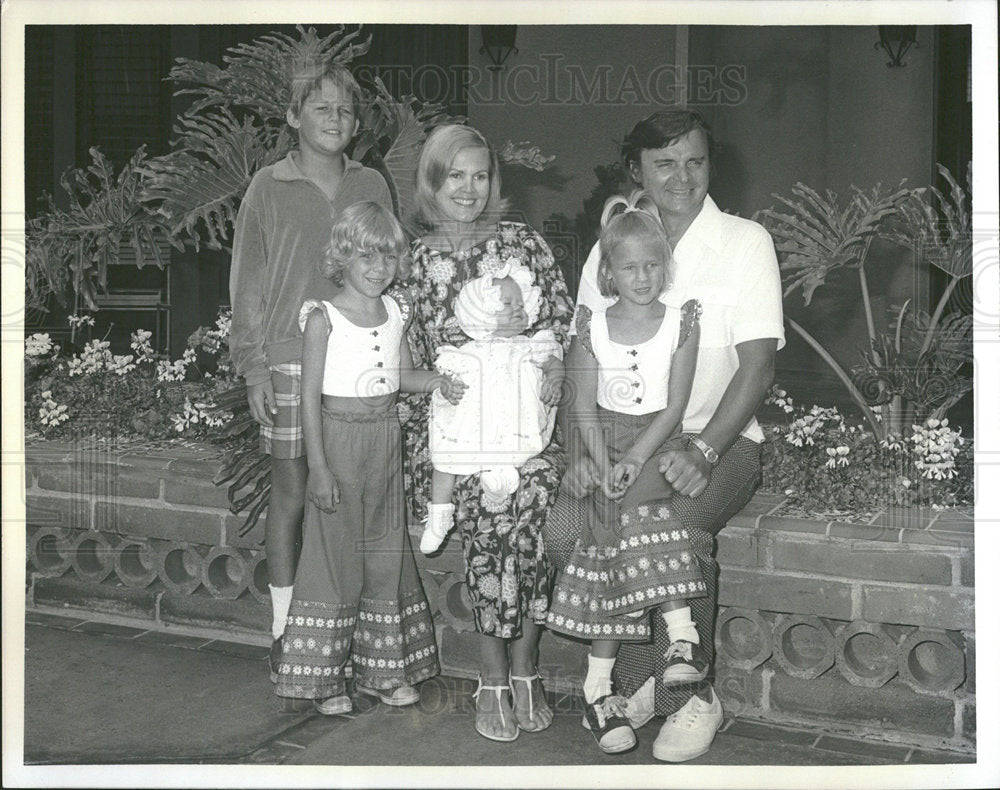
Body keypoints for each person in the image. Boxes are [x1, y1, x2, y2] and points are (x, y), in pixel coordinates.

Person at [543, 109, 784, 762]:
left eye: (696, 161)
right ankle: (644, 676)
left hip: (721, 441)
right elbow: (581, 366)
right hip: (617, 445)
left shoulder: (744, 243)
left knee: (675, 530)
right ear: (637, 171)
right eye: (665, 163)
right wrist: (580, 457)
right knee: (567, 531)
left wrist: (704, 452)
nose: (683, 176)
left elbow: (759, 367)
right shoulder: (611, 246)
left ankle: (691, 696)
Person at [399, 124, 574, 742]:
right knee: (495, 505)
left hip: (526, 428)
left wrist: (550, 362)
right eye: (455, 176)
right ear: (431, 183)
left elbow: (564, 331)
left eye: (480, 176)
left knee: (534, 496)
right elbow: (403, 368)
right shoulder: (415, 263)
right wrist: (441, 389)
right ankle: (497, 673)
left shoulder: (523, 245)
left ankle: (520, 667)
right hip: (453, 440)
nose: (469, 189)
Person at [228, 62, 392, 683]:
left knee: (352, 496)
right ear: (294, 117)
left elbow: (389, 257)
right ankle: (284, 626)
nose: (336, 120)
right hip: (291, 363)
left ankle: (351, 627)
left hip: (357, 364)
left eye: (346, 112)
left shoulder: (370, 180)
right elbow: (247, 284)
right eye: (321, 109)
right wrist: (254, 371)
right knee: (293, 493)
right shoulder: (268, 188)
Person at [273, 201, 463, 714]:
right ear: (342, 257)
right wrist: (317, 466)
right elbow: (307, 398)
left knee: (384, 553)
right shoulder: (323, 318)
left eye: (387, 257)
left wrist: (439, 383)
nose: (378, 268)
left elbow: (402, 378)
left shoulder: (395, 311)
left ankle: (384, 672)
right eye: (366, 257)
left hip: (384, 441)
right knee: (334, 558)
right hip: (336, 441)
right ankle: (325, 679)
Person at [545, 191, 707, 754]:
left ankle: (608, 686)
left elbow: (675, 406)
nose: (642, 276)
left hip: (656, 441)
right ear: (607, 272)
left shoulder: (682, 322)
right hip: (602, 442)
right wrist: (600, 458)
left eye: (652, 265)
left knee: (623, 527)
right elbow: (584, 409)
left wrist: (635, 458)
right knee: (610, 540)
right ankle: (673, 641)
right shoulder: (591, 325)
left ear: (666, 267)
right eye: (629, 266)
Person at [421, 256, 563, 554]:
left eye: (520, 305)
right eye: (507, 305)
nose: (518, 310)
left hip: (512, 420)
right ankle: (439, 513)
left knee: (511, 449)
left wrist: (554, 378)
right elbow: (444, 383)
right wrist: (448, 389)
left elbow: (555, 364)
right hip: (474, 422)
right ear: (482, 312)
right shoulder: (464, 353)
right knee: (444, 457)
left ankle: (500, 476)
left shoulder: (532, 345)